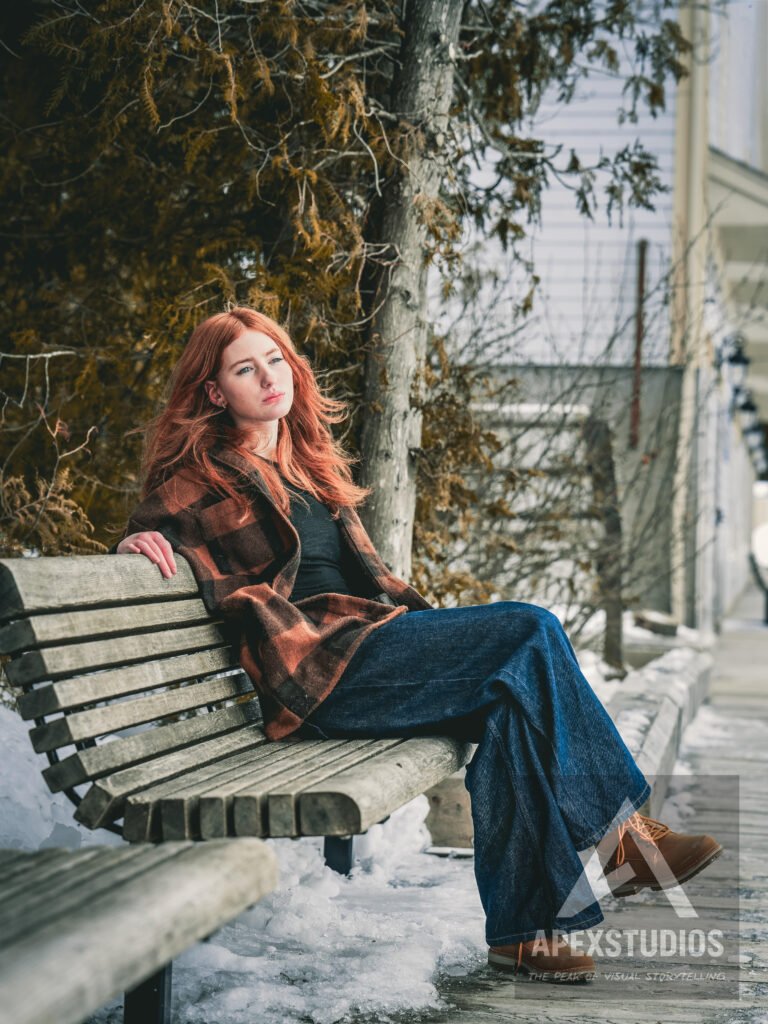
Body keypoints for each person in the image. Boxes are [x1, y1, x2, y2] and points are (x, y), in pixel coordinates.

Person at [116, 306, 722, 983]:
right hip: (318, 671)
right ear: (213, 391)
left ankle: (523, 934)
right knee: (529, 627)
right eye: (245, 369)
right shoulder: (200, 475)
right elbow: (148, 529)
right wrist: (135, 543)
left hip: (371, 643)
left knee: (509, 709)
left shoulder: (306, 465)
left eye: (275, 360)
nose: (268, 378)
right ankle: (621, 839)